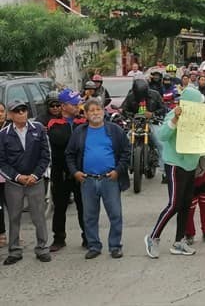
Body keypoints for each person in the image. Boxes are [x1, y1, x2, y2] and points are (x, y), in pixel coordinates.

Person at [145, 87, 205, 258]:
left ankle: (178, 242)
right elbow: (163, 136)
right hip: (175, 165)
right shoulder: (173, 114)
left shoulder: (199, 118)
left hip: (190, 165)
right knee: (174, 204)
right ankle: (153, 237)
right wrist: (175, 119)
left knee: (185, 205)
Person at [65, 98, 131, 260]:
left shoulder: (115, 130)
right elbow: (69, 154)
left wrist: (118, 171)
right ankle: (94, 245)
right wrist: (75, 173)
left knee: (115, 214)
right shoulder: (79, 132)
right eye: (91, 110)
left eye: (98, 109)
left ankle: (115, 246)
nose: (95, 113)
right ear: (86, 114)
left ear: (103, 111)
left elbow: (126, 152)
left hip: (110, 179)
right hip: (87, 180)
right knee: (89, 216)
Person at [0, 100, 51, 265]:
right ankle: (14, 251)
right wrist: (17, 177)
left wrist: (35, 175)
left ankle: (42, 248)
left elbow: (46, 155)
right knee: (14, 217)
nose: (21, 113)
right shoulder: (3, 135)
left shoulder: (39, 129)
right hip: (14, 183)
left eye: (24, 110)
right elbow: (1, 162)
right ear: (10, 115)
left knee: (38, 217)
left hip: (35, 181)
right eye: (17, 111)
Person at [48, 89, 88, 252]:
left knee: (83, 206)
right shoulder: (53, 123)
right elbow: (63, 142)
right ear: (64, 106)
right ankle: (59, 238)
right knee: (60, 207)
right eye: (74, 104)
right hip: (62, 173)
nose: (78, 106)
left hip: (80, 172)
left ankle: (87, 237)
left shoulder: (82, 122)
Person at [0, 102, 9, 248]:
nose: (0, 114)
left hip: (10, 174)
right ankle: (1, 233)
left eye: (1, 111)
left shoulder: (11, 128)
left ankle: (16, 232)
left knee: (13, 206)